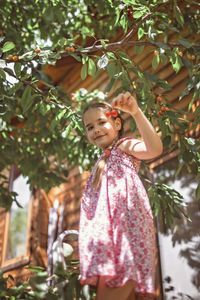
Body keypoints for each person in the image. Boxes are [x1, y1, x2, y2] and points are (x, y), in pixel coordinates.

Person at [78, 91, 163, 300]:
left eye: (101, 122)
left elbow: (154, 149)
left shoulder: (123, 146)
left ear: (116, 124)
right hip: (109, 243)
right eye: (90, 127)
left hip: (127, 234)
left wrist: (135, 112)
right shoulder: (99, 163)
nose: (96, 129)